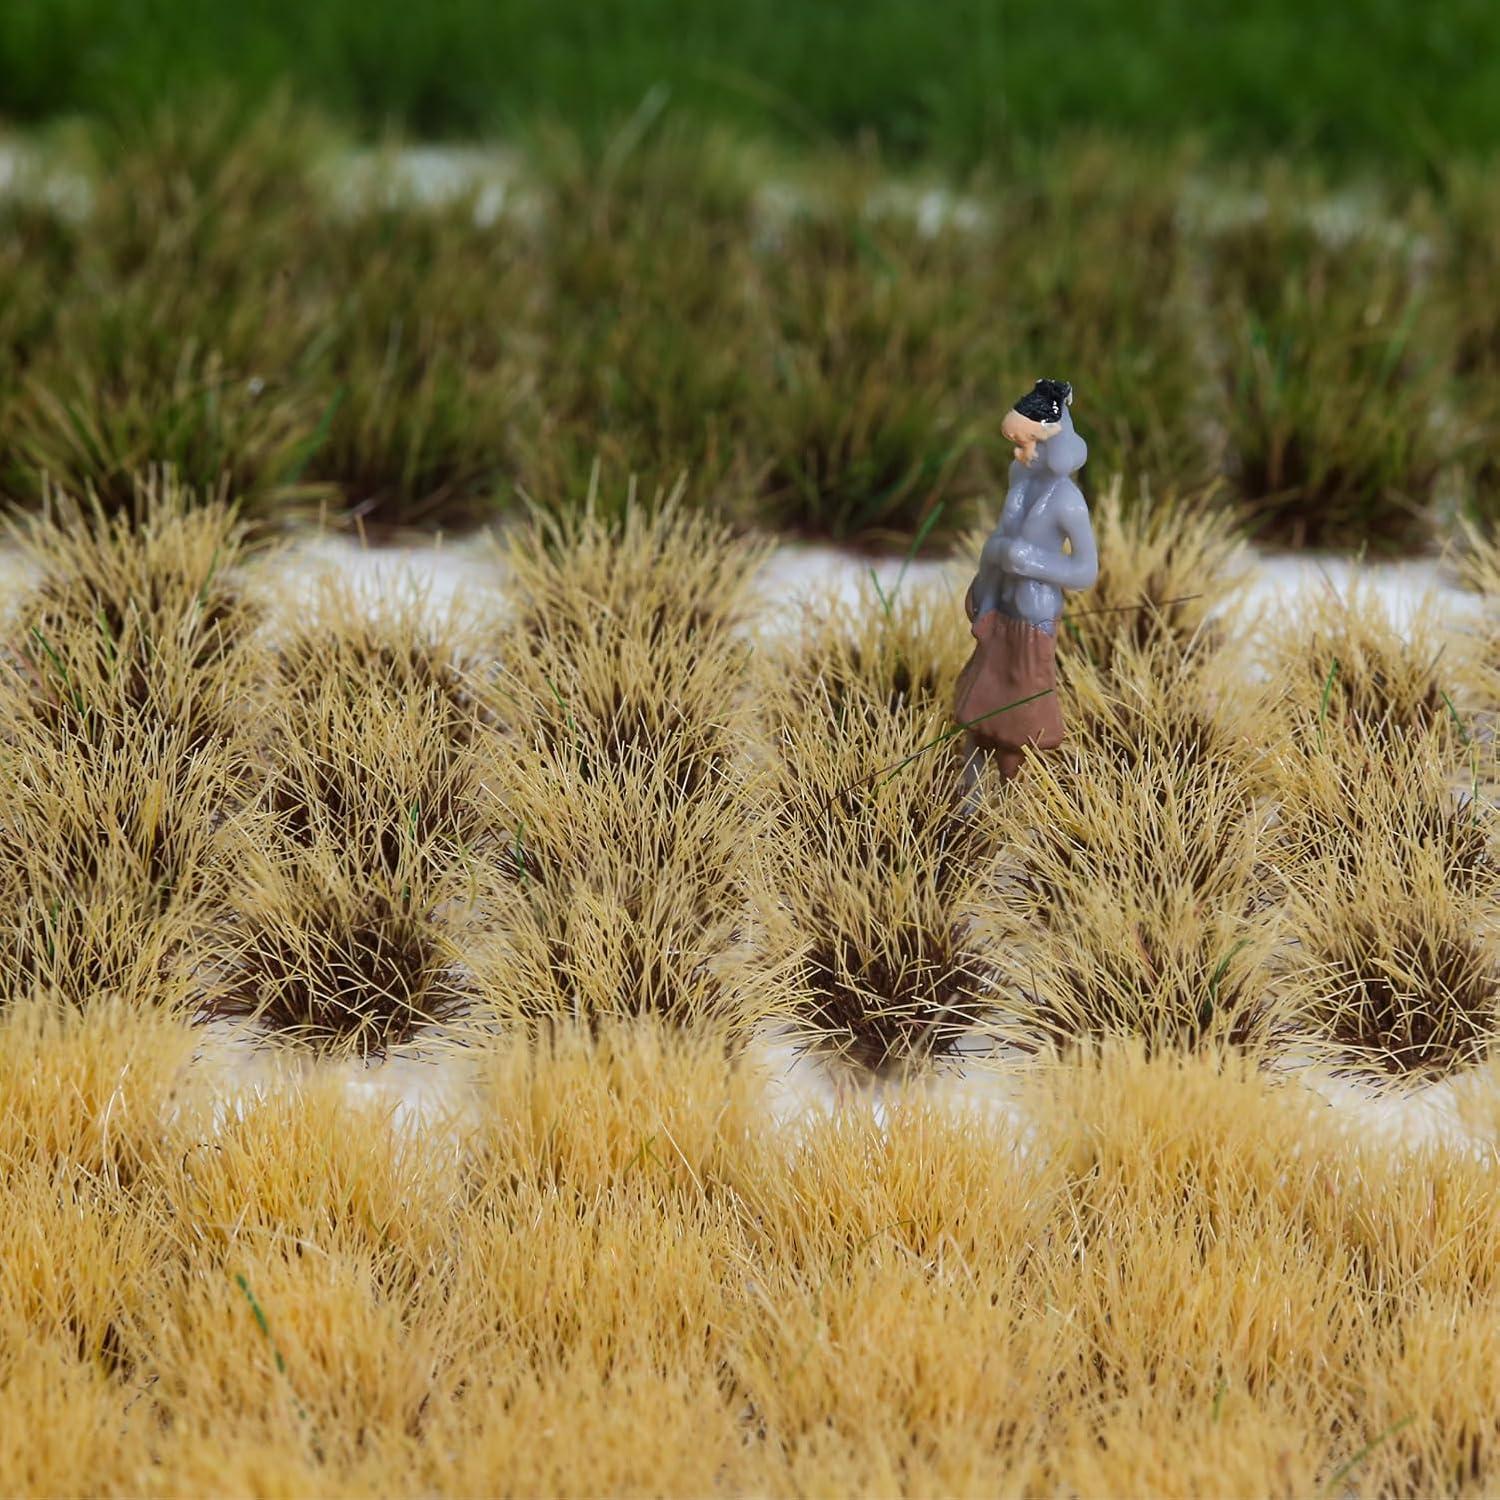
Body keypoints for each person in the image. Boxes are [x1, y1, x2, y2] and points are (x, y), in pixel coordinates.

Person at [956, 378, 1098, 783]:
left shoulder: (1068, 501)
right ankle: (969, 787)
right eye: (1015, 444)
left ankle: (1013, 795)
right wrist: (983, 583)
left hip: (1032, 619)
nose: (1019, 454)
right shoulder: (1019, 480)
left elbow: (1085, 572)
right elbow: (1000, 545)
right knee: (982, 700)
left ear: (1053, 441)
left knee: (1019, 716)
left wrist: (1031, 561)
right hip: (997, 608)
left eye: (1026, 443)